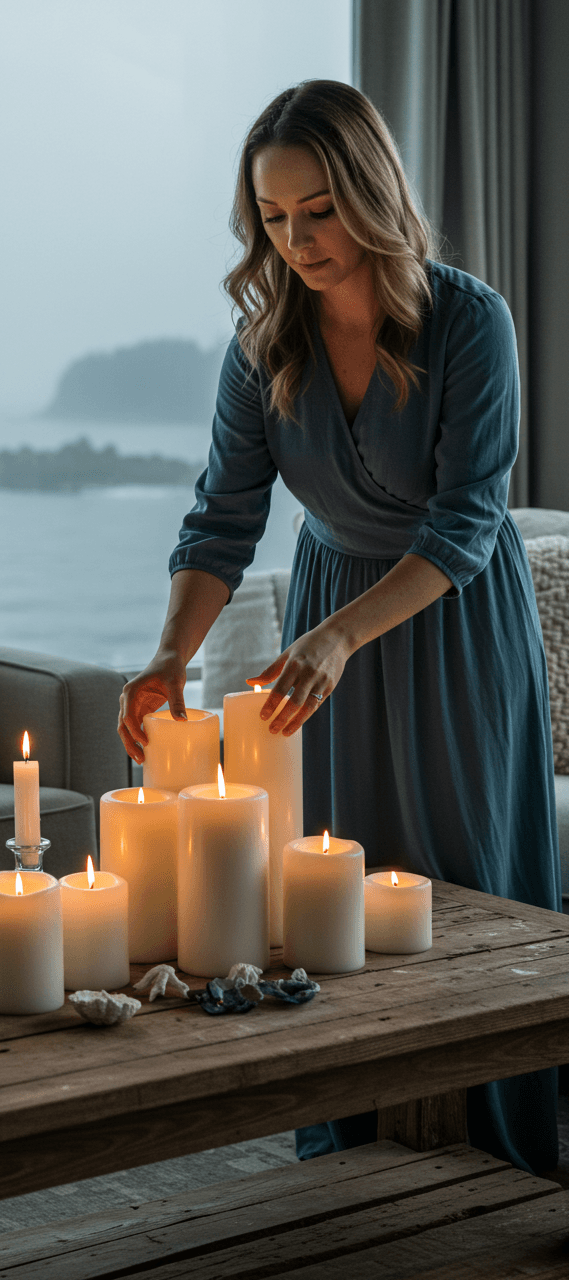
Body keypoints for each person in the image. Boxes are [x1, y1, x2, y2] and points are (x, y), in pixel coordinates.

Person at [118, 80, 560, 1175]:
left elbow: (464, 521)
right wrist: (168, 657)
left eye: (317, 208)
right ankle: (350, 1149)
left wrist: (336, 637)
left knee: (467, 884)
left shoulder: (469, 319)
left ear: (368, 190)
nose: (297, 239)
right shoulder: (260, 343)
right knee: (332, 881)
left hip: (448, 618)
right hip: (328, 622)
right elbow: (221, 518)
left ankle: (499, 1153)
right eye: (273, 218)